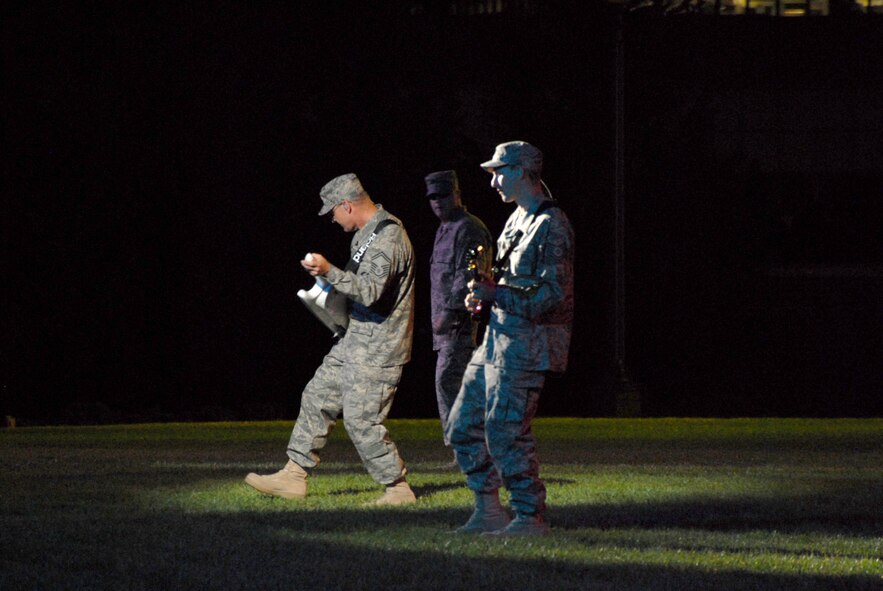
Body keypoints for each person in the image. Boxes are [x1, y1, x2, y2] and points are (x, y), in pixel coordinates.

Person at [245, 173, 417, 506]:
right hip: (355, 339)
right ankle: (294, 475)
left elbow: (370, 292)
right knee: (317, 395)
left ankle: (397, 488)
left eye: (333, 212)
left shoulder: (388, 237)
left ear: (346, 205)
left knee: (361, 419)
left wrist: (328, 271)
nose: (333, 220)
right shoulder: (365, 236)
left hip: (379, 348)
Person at [446, 141, 574, 536]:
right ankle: (488, 509)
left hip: (526, 346)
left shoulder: (552, 225)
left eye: (500, 172)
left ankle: (529, 515)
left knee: (505, 431)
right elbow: (506, 282)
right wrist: (482, 296)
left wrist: (496, 294)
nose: (494, 182)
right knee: (462, 425)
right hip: (497, 340)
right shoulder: (517, 219)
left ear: (522, 171)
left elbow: (553, 295)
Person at [425, 170, 493, 456]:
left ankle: (470, 451)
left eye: (442, 195)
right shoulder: (445, 229)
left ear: (456, 194)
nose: (437, 202)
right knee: (454, 385)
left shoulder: (468, 228)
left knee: (450, 382)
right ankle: (466, 452)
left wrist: (451, 312)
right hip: (444, 327)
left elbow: (470, 276)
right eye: (432, 197)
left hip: (458, 324)